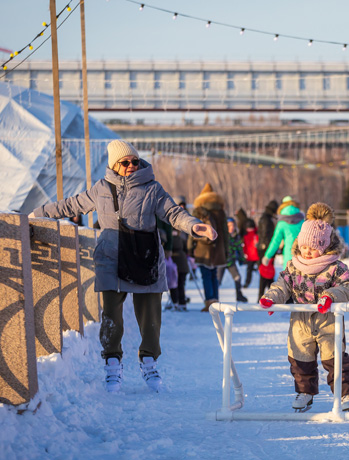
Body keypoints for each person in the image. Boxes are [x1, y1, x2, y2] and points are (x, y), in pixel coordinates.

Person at [28, 140, 217, 393]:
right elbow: (71, 205)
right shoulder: (101, 188)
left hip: (145, 258)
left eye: (135, 161)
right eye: (125, 162)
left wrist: (194, 225)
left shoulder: (152, 188)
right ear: (114, 165)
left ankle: (149, 361)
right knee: (111, 317)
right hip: (111, 259)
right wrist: (37, 213)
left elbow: (173, 213)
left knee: (150, 317)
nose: (131, 165)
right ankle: (112, 365)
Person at [259, 203, 349, 412]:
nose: (307, 252)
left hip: (328, 319)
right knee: (300, 358)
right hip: (300, 319)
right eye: (304, 247)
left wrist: (330, 297)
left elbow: (346, 286)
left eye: (313, 248)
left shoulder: (334, 267)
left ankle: (345, 393)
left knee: (334, 357)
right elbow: (282, 284)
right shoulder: (294, 265)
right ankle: (305, 392)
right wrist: (271, 298)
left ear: (323, 246)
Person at [188, 183, 229, 312]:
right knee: (214, 276)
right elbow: (225, 232)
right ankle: (215, 300)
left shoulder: (199, 210)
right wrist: (226, 250)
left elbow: (193, 230)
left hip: (203, 248)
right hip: (218, 248)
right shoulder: (221, 211)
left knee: (205, 275)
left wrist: (190, 247)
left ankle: (209, 302)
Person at [261, 196, 304, 270]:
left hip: (289, 255)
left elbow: (275, 241)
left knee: (288, 279)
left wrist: (267, 256)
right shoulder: (302, 220)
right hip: (303, 254)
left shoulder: (282, 223)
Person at [218, 217, 248, 302]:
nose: (231, 227)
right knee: (217, 280)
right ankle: (214, 297)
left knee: (237, 277)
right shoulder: (222, 236)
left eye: (233, 225)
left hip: (231, 262)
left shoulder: (236, 236)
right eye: (229, 225)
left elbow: (239, 248)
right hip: (222, 261)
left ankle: (239, 295)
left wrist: (242, 259)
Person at [169, 196, 190, 311]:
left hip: (179, 257)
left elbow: (184, 242)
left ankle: (179, 302)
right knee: (175, 282)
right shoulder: (171, 222)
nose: (182, 207)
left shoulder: (183, 225)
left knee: (179, 282)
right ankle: (177, 302)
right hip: (173, 257)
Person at [257, 199, 279, 300]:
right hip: (265, 250)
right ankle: (263, 295)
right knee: (266, 273)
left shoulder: (265, 217)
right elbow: (266, 236)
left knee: (267, 274)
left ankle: (269, 295)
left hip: (264, 249)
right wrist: (270, 251)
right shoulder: (267, 219)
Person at [243, 219, 259, 288]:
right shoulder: (256, 234)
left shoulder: (247, 236)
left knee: (249, 271)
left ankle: (247, 283)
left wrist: (245, 253)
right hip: (254, 256)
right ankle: (247, 283)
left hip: (252, 256)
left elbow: (245, 247)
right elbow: (245, 247)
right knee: (250, 271)